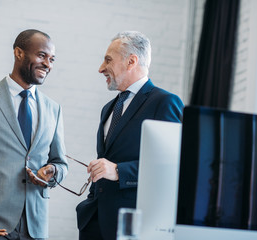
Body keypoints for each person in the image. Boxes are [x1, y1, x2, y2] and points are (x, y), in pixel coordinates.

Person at [76, 31, 184, 240]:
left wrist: (118, 170)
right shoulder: (109, 108)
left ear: (131, 61)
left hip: (133, 225)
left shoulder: (164, 103)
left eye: (108, 60)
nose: (101, 68)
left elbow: (174, 165)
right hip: (94, 223)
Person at [0, 29, 68, 240]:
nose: (48, 64)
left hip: (34, 227)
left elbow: (61, 162)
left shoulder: (53, 109)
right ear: (19, 53)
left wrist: (53, 171)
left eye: (52, 59)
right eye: (41, 55)